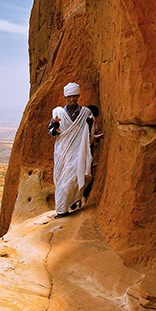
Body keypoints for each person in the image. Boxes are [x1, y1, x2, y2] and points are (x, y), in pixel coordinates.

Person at [48, 82, 97, 217]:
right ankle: (62, 209)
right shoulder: (58, 113)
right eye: (69, 97)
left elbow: (89, 132)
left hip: (77, 152)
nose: (72, 99)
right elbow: (51, 131)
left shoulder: (85, 113)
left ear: (78, 96)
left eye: (74, 96)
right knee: (62, 180)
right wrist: (55, 127)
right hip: (62, 152)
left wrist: (90, 125)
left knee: (74, 179)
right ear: (66, 98)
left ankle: (66, 207)